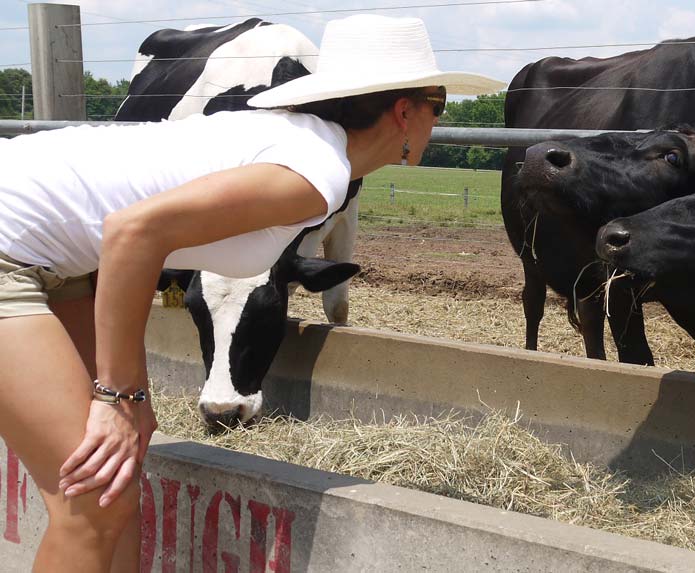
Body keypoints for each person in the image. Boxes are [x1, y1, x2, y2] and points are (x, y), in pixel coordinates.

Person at [0, 14, 503, 571]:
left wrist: (134, 403)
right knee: (91, 504)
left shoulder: (301, 143)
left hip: (56, 257)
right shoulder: (315, 172)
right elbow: (131, 234)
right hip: (13, 245)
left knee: (114, 486)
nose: (440, 117)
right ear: (405, 112)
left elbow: (113, 238)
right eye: (441, 103)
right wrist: (117, 400)